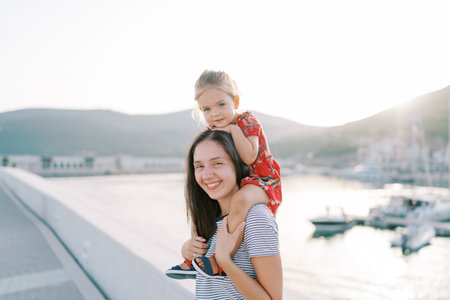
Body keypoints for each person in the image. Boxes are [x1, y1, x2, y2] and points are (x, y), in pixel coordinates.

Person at [166, 70, 282, 279]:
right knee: (200, 206)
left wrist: (234, 131)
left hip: (264, 181)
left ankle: (220, 260)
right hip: (245, 180)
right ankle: (194, 257)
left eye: (221, 104)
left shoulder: (246, 121)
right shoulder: (215, 128)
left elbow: (249, 156)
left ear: (235, 101)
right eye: (207, 109)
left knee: (240, 201)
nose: (215, 113)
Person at [181, 130, 283, 299]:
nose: (207, 175)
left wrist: (224, 261)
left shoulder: (255, 218)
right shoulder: (209, 217)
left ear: (237, 163)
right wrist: (188, 250)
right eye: (199, 166)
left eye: (217, 163)